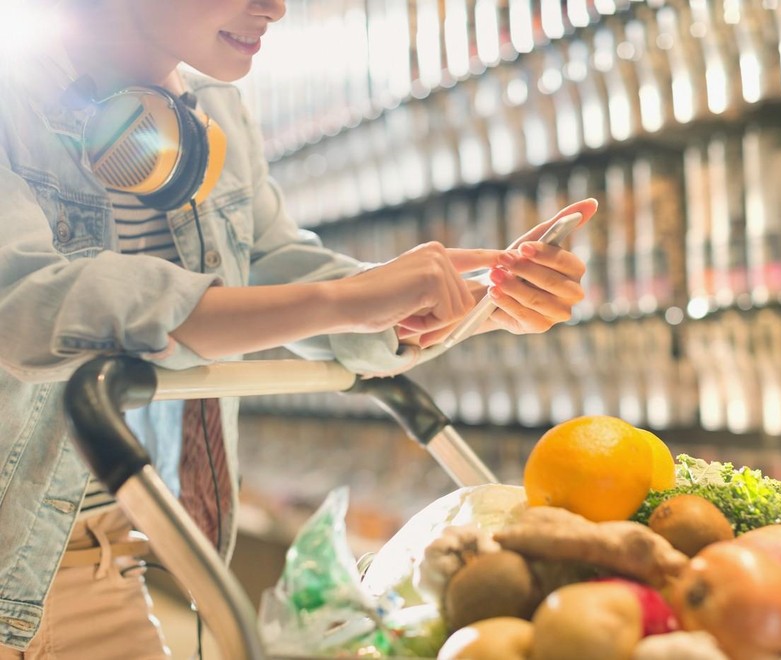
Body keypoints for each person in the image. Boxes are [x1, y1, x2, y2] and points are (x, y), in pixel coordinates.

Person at [0, 0, 595, 657]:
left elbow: (273, 267)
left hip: (106, 563)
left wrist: (451, 301)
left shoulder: (215, 110)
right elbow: (24, 304)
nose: (276, 8)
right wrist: (338, 301)